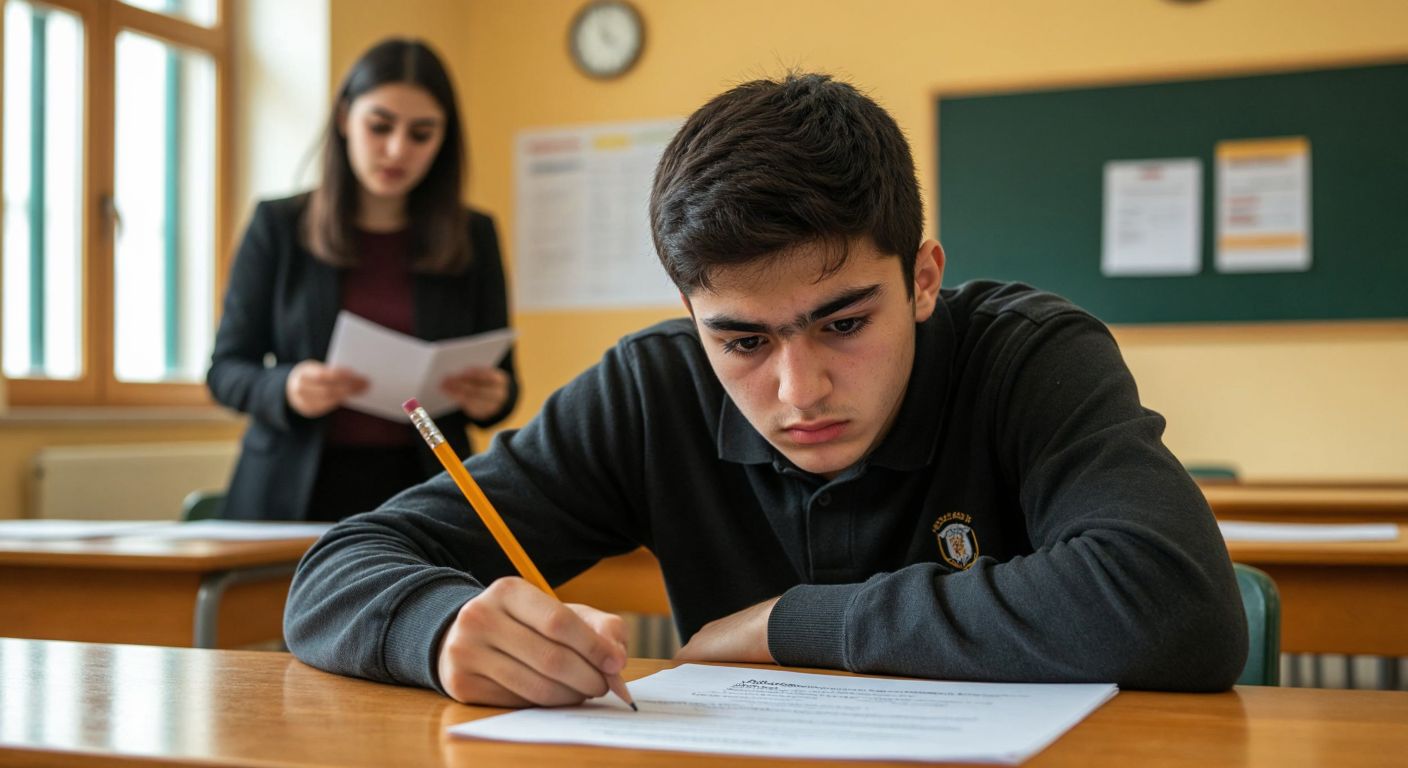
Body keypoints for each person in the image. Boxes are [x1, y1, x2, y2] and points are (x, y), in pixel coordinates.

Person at [285, 73, 1247, 706]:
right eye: (741, 339)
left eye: (844, 321)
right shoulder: (652, 387)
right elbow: (339, 569)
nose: (800, 388)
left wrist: (791, 624)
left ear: (921, 278)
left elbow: (1178, 605)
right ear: (691, 316)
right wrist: (439, 627)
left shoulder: (1030, 357)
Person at [208, 39, 518, 522]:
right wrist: (286, 387)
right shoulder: (279, 226)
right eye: (379, 126)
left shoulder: (472, 234)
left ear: (444, 140)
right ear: (344, 119)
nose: (397, 150)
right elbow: (225, 371)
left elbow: (504, 382)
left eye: (421, 134)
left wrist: (493, 395)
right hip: (292, 490)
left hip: (424, 488)